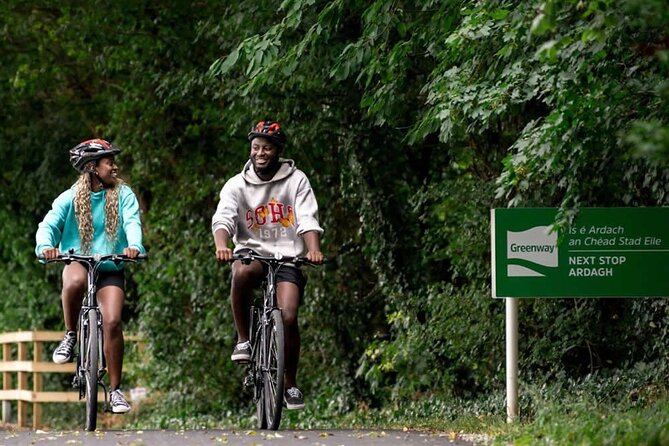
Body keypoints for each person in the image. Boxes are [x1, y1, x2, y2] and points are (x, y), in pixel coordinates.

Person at [212, 120, 324, 410]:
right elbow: (224, 217)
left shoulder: (296, 180)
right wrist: (222, 245)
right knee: (241, 271)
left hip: (287, 255)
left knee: (287, 317)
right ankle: (244, 339)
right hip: (253, 253)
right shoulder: (236, 184)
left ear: (278, 151)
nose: (261, 153)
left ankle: (290, 384)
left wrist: (313, 249)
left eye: (267, 148)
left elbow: (308, 217)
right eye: (256, 147)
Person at [35, 139, 145, 414]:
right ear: (93, 167)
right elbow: (48, 224)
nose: (114, 166)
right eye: (109, 162)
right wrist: (46, 247)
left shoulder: (123, 195)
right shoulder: (70, 197)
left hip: (111, 266)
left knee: (113, 321)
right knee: (73, 282)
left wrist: (134, 246)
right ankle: (71, 334)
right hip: (78, 260)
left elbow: (132, 222)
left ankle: (116, 391)